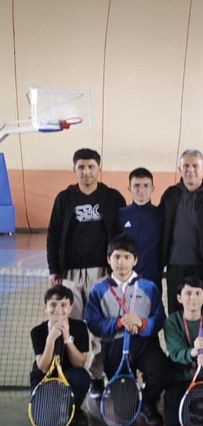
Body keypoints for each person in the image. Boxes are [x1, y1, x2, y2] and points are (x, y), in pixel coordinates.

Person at [46, 148, 126, 397]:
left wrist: (119, 269)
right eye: (81, 167)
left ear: (98, 168)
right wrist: (54, 270)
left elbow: (121, 237)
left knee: (100, 327)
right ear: (74, 169)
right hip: (70, 274)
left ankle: (99, 376)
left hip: (102, 273)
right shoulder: (64, 198)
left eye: (91, 167)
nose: (86, 172)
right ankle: (77, 375)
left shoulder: (112, 198)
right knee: (74, 327)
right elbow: (53, 235)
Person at [84, 235, 170, 426]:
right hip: (114, 345)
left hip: (144, 343)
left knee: (162, 372)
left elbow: (159, 318)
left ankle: (148, 400)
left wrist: (141, 323)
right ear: (109, 259)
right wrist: (118, 323)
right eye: (116, 257)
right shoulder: (98, 289)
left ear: (135, 260)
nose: (121, 262)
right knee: (123, 412)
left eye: (126, 257)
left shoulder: (149, 287)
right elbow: (93, 322)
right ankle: (127, 396)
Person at [161, 149, 203, 314]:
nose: (190, 170)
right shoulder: (170, 195)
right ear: (180, 169)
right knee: (176, 316)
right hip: (176, 267)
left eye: (195, 166)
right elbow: (161, 229)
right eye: (186, 166)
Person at [162, 277, 203, 426]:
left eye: (198, 293)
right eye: (188, 293)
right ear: (179, 298)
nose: (193, 298)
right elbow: (175, 353)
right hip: (179, 378)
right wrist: (194, 352)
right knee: (173, 425)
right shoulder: (171, 321)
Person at [30, 285, 90, 426]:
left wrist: (67, 338)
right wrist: (50, 339)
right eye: (53, 305)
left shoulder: (80, 327)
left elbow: (79, 363)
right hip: (43, 376)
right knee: (47, 419)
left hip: (69, 372)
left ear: (70, 307)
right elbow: (43, 367)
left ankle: (75, 409)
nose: (58, 310)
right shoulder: (37, 331)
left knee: (82, 377)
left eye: (63, 305)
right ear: (45, 307)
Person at [118, 167, 163, 289]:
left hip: (153, 277)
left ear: (152, 188)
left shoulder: (161, 215)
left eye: (146, 185)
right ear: (129, 188)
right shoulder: (121, 214)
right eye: (136, 185)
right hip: (126, 277)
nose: (141, 190)